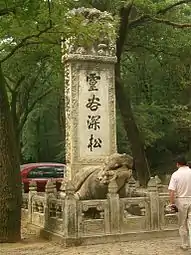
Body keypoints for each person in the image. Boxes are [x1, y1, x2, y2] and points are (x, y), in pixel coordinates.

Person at [168, 156, 191, 250]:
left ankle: (185, 244)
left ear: (177, 164)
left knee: (182, 224)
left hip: (181, 200)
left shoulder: (176, 174)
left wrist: (172, 203)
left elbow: (172, 191)